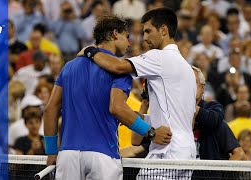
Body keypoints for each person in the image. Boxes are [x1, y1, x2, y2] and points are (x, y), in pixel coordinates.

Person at [44, 15, 171, 180]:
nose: (129, 43)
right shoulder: (121, 69)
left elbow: (50, 109)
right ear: (115, 34)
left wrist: (52, 152)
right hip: (103, 157)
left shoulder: (68, 67)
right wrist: (151, 132)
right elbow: (117, 108)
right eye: (127, 37)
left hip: (68, 156)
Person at [82, 8, 197, 179]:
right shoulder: (187, 69)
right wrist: (142, 119)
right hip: (186, 151)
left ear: (164, 30)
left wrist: (89, 51)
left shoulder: (159, 57)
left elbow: (117, 67)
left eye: (148, 31)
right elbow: (176, 116)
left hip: (168, 151)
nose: (144, 38)